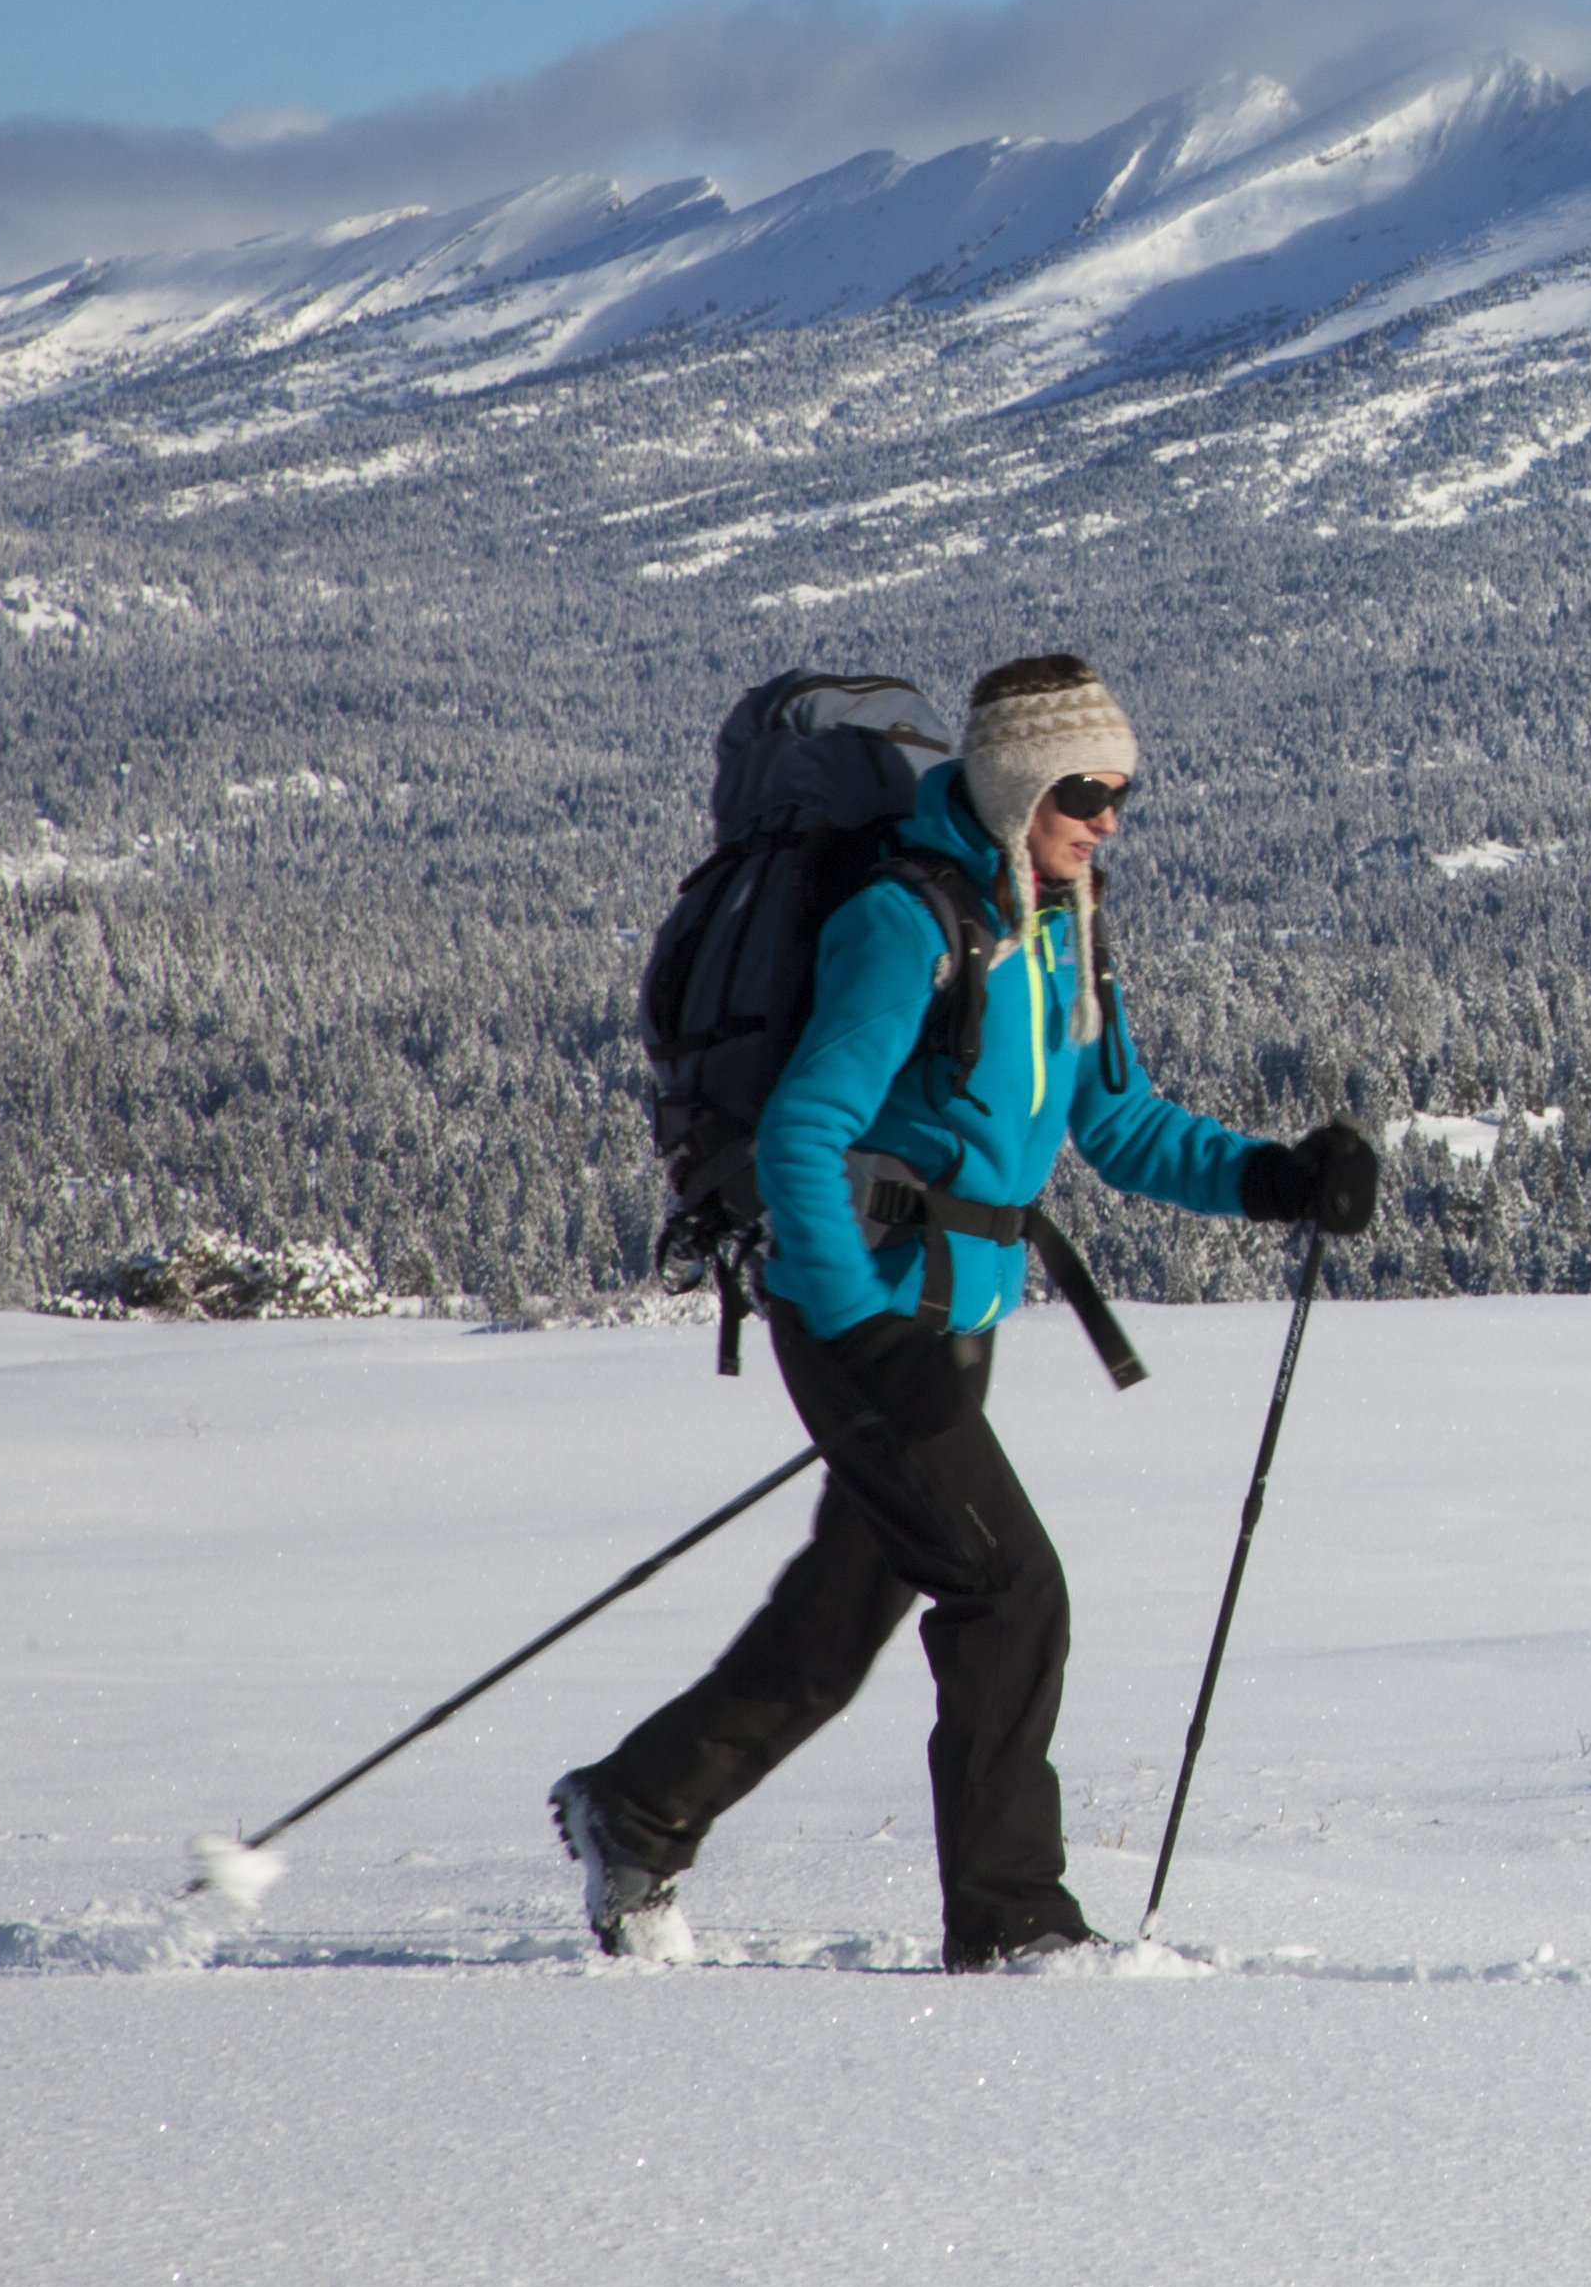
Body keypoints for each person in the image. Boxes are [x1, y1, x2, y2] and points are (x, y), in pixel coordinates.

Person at [552, 651, 1376, 1971]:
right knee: (1009, 1591)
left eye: (1122, 793)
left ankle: (637, 1807)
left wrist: (1272, 1178)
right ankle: (1012, 1925)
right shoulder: (901, 922)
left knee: (844, 1611)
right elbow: (804, 1140)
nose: (1108, 816)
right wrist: (870, 1336)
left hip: (950, 1323)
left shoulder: (1059, 919)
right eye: (1083, 790)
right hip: (862, 1316)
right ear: (1009, 787)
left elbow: (1119, 1122)